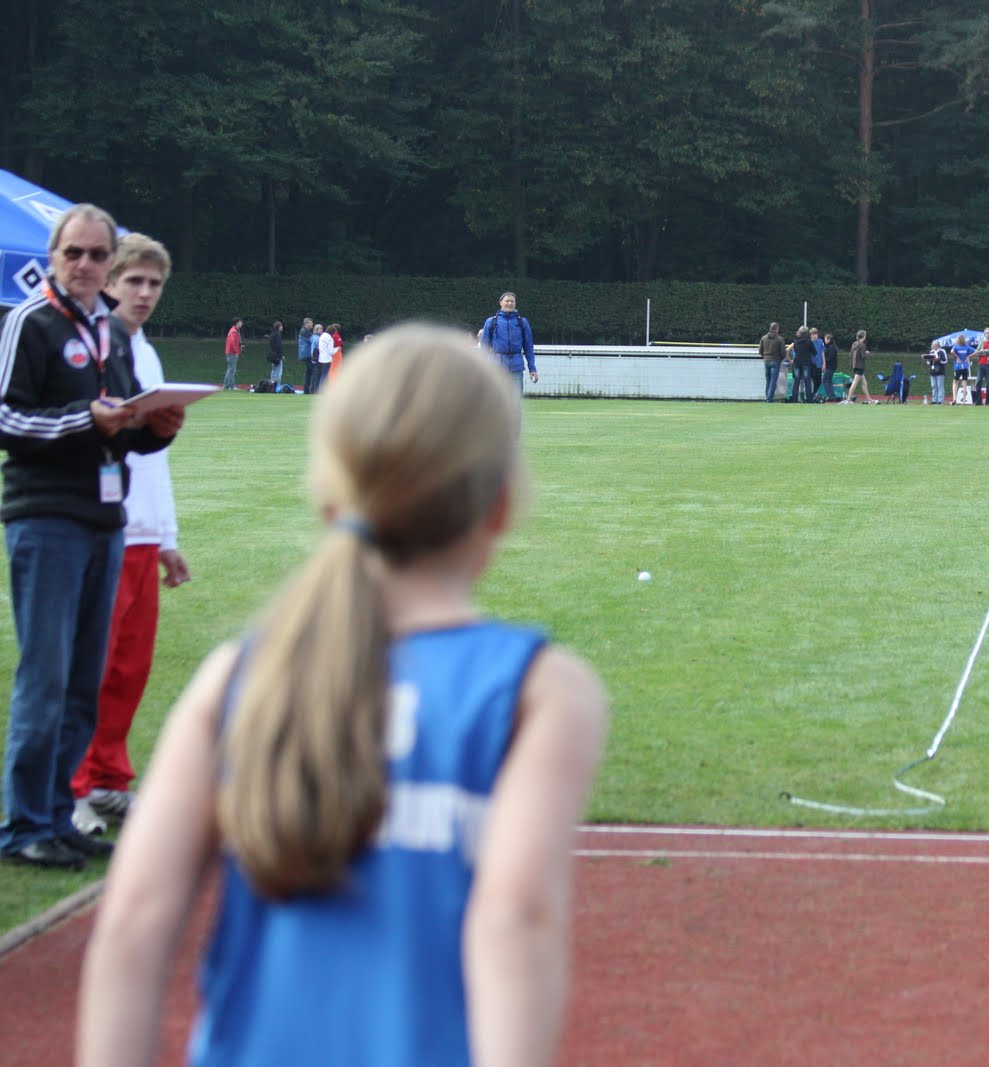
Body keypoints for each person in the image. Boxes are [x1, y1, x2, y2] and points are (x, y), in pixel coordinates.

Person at [77, 324, 609, 1067]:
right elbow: (516, 923)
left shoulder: (237, 674)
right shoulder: (539, 690)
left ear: (330, 498)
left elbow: (134, 922)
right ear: (500, 503)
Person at [0, 204, 185, 870]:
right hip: (46, 517)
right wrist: (87, 419)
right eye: (73, 252)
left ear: (108, 263)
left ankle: (59, 813)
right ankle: (24, 824)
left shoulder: (109, 332)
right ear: (53, 255)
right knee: (46, 676)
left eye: (96, 254)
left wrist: (155, 428)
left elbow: (124, 426)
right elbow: (7, 418)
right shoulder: (31, 321)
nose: (84, 264)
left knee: (84, 679)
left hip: (107, 519)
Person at [70, 234, 192, 836]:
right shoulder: (89, 345)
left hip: (142, 530)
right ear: (109, 282)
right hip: (100, 526)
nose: (144, 294)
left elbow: (155, 460)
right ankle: (71, 790)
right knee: (88, 668)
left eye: (154, 284)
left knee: (128, 669)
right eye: (133, 281)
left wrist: (166, 535)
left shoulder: (145, 350)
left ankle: (108, 779)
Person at [480, 291, 539, 398]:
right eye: (507, 301)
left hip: (516, 367)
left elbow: (528, 348)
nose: (510, 303)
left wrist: (532, 369)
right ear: (501, 303)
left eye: (512, 301)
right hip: (496, 367)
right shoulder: (491, 322)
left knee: (515, 400)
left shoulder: (522, 322)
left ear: (515, 303)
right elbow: (484, 348)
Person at [844, 330, 875, 404]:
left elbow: (850, 355)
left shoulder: (854, 344)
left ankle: (869, 399)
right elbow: (863, 356)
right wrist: (867, 353)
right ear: (864, 336)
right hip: (860, 366)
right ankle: (848, 400)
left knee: (864, 383)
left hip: (855, 366)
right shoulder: (863, 345)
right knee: (854, 383)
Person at [758, 322, 785, 402]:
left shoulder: (763, 338)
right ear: (777, 329)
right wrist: (780, 359)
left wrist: (765, 357)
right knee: (773, 380)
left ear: (770, 328)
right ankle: (769, 398)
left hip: (766, 360)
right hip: (776, 361)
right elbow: (783, 353)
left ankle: (767, 396)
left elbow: (760, 351)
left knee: (768, 380)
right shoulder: (780, 339)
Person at [950, 335, 973, 405]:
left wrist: (957, 357)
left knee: (955, 382)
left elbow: (951, 351)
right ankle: (964, 401)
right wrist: (968, 356)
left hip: (958, 367)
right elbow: (976, 351)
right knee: (964, 382)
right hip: (965, 367)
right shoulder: (967, 347)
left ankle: (954, 399)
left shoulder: (956, 346)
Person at [310, 324, 333, 394]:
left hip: (318, 358)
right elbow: (313, 349)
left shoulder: (319, 337)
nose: (321, 330)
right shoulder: (317, 338)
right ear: (316, 330)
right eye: (319, 329)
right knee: (317, 375)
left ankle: (314, 389)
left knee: (316, 375)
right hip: (317, 359)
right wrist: (314, 358)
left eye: (322, 329)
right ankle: (315, 390)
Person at [223, 318, 243, 391]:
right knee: (232, 370)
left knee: (230, 369)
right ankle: (231, 386)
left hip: (229, 352)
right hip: (232, 353)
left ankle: (226, 385)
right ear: (237, 323)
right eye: (240, 322)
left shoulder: (233, 330)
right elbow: (234, 343)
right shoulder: (234, 331)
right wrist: (236, 352)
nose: (241, 324)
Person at [297, 317, 315, 392]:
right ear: (306, 323)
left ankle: (306, 390)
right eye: (310, 323)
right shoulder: (305, 332)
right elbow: (313, 340)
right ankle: (310, 389)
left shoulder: (304, 331)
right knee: (312, 371)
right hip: (307, 354)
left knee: (309, 372)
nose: (312, 324)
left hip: (305, 354)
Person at [821, 332, 840, 401]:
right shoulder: (831, 347)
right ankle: (831, 396)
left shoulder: (831, 347)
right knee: (828, 381)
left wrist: (823, 362)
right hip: (831, 366)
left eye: (825, 339)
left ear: (829, 339)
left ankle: (830, 396)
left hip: (830, 367)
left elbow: (829, 358)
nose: (825, 341)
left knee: (825, 380)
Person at [266, 321, 285, 388]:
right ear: (279, 327)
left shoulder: (272, 334)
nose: (282, 327)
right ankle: (276, 385)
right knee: (278, 372)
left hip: (273, 355)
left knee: (273, 370)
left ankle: (271, 384)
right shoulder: (278, 334)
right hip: (277, 356)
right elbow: (279, 346)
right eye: (281, 326)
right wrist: (281, 355)